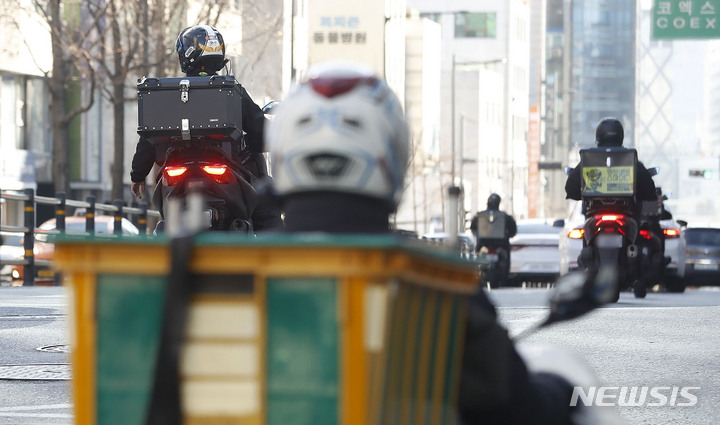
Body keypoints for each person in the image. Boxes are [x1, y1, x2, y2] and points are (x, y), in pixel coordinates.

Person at [266, 61, 576, 424]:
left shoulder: (213, 275)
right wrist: (559, 393)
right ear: (392, 157)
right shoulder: (438, 283)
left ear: (283, 153)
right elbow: (510, 401)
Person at [129, 24, 283, 231]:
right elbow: (259, 128)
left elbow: (147, 138)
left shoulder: (166, 94)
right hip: (225, 171)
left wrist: (137, 176)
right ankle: (279, 259)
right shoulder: (232, 89)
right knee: (266, 210)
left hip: (176, 175)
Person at [565, 117, 657, 206]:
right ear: (621, 137)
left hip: (594, 214)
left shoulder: (588, 160)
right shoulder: (633, 162)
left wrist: (587, 197)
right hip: (626, 213)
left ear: (598, 137)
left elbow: (571, 188)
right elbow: (649, 191)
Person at [470, 194, 517, 281]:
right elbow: (513, 230)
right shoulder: (505, 216)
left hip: (483, 243)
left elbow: (473, 228)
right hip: (500, 244)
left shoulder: (479, 216)